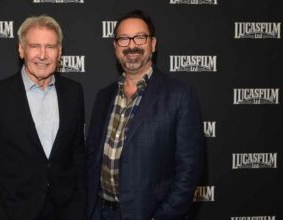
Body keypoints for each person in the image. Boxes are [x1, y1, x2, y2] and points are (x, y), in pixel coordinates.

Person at [86, 10, 205, 220]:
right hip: (100, 212)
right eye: (123, 39)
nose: (131, 45)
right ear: (115, 47)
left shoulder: (180, 96)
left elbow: (190, 169)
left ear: (153, 43)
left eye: (140, 37)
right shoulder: (104, 96)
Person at [0, 15, 86, 220]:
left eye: (50, 47)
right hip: (12, 211)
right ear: (21, 50)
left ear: (60, 52)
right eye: (35, 46)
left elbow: (77, 151)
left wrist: (79, 205)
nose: (43, 55)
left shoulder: (73, 92)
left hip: (65, 211)